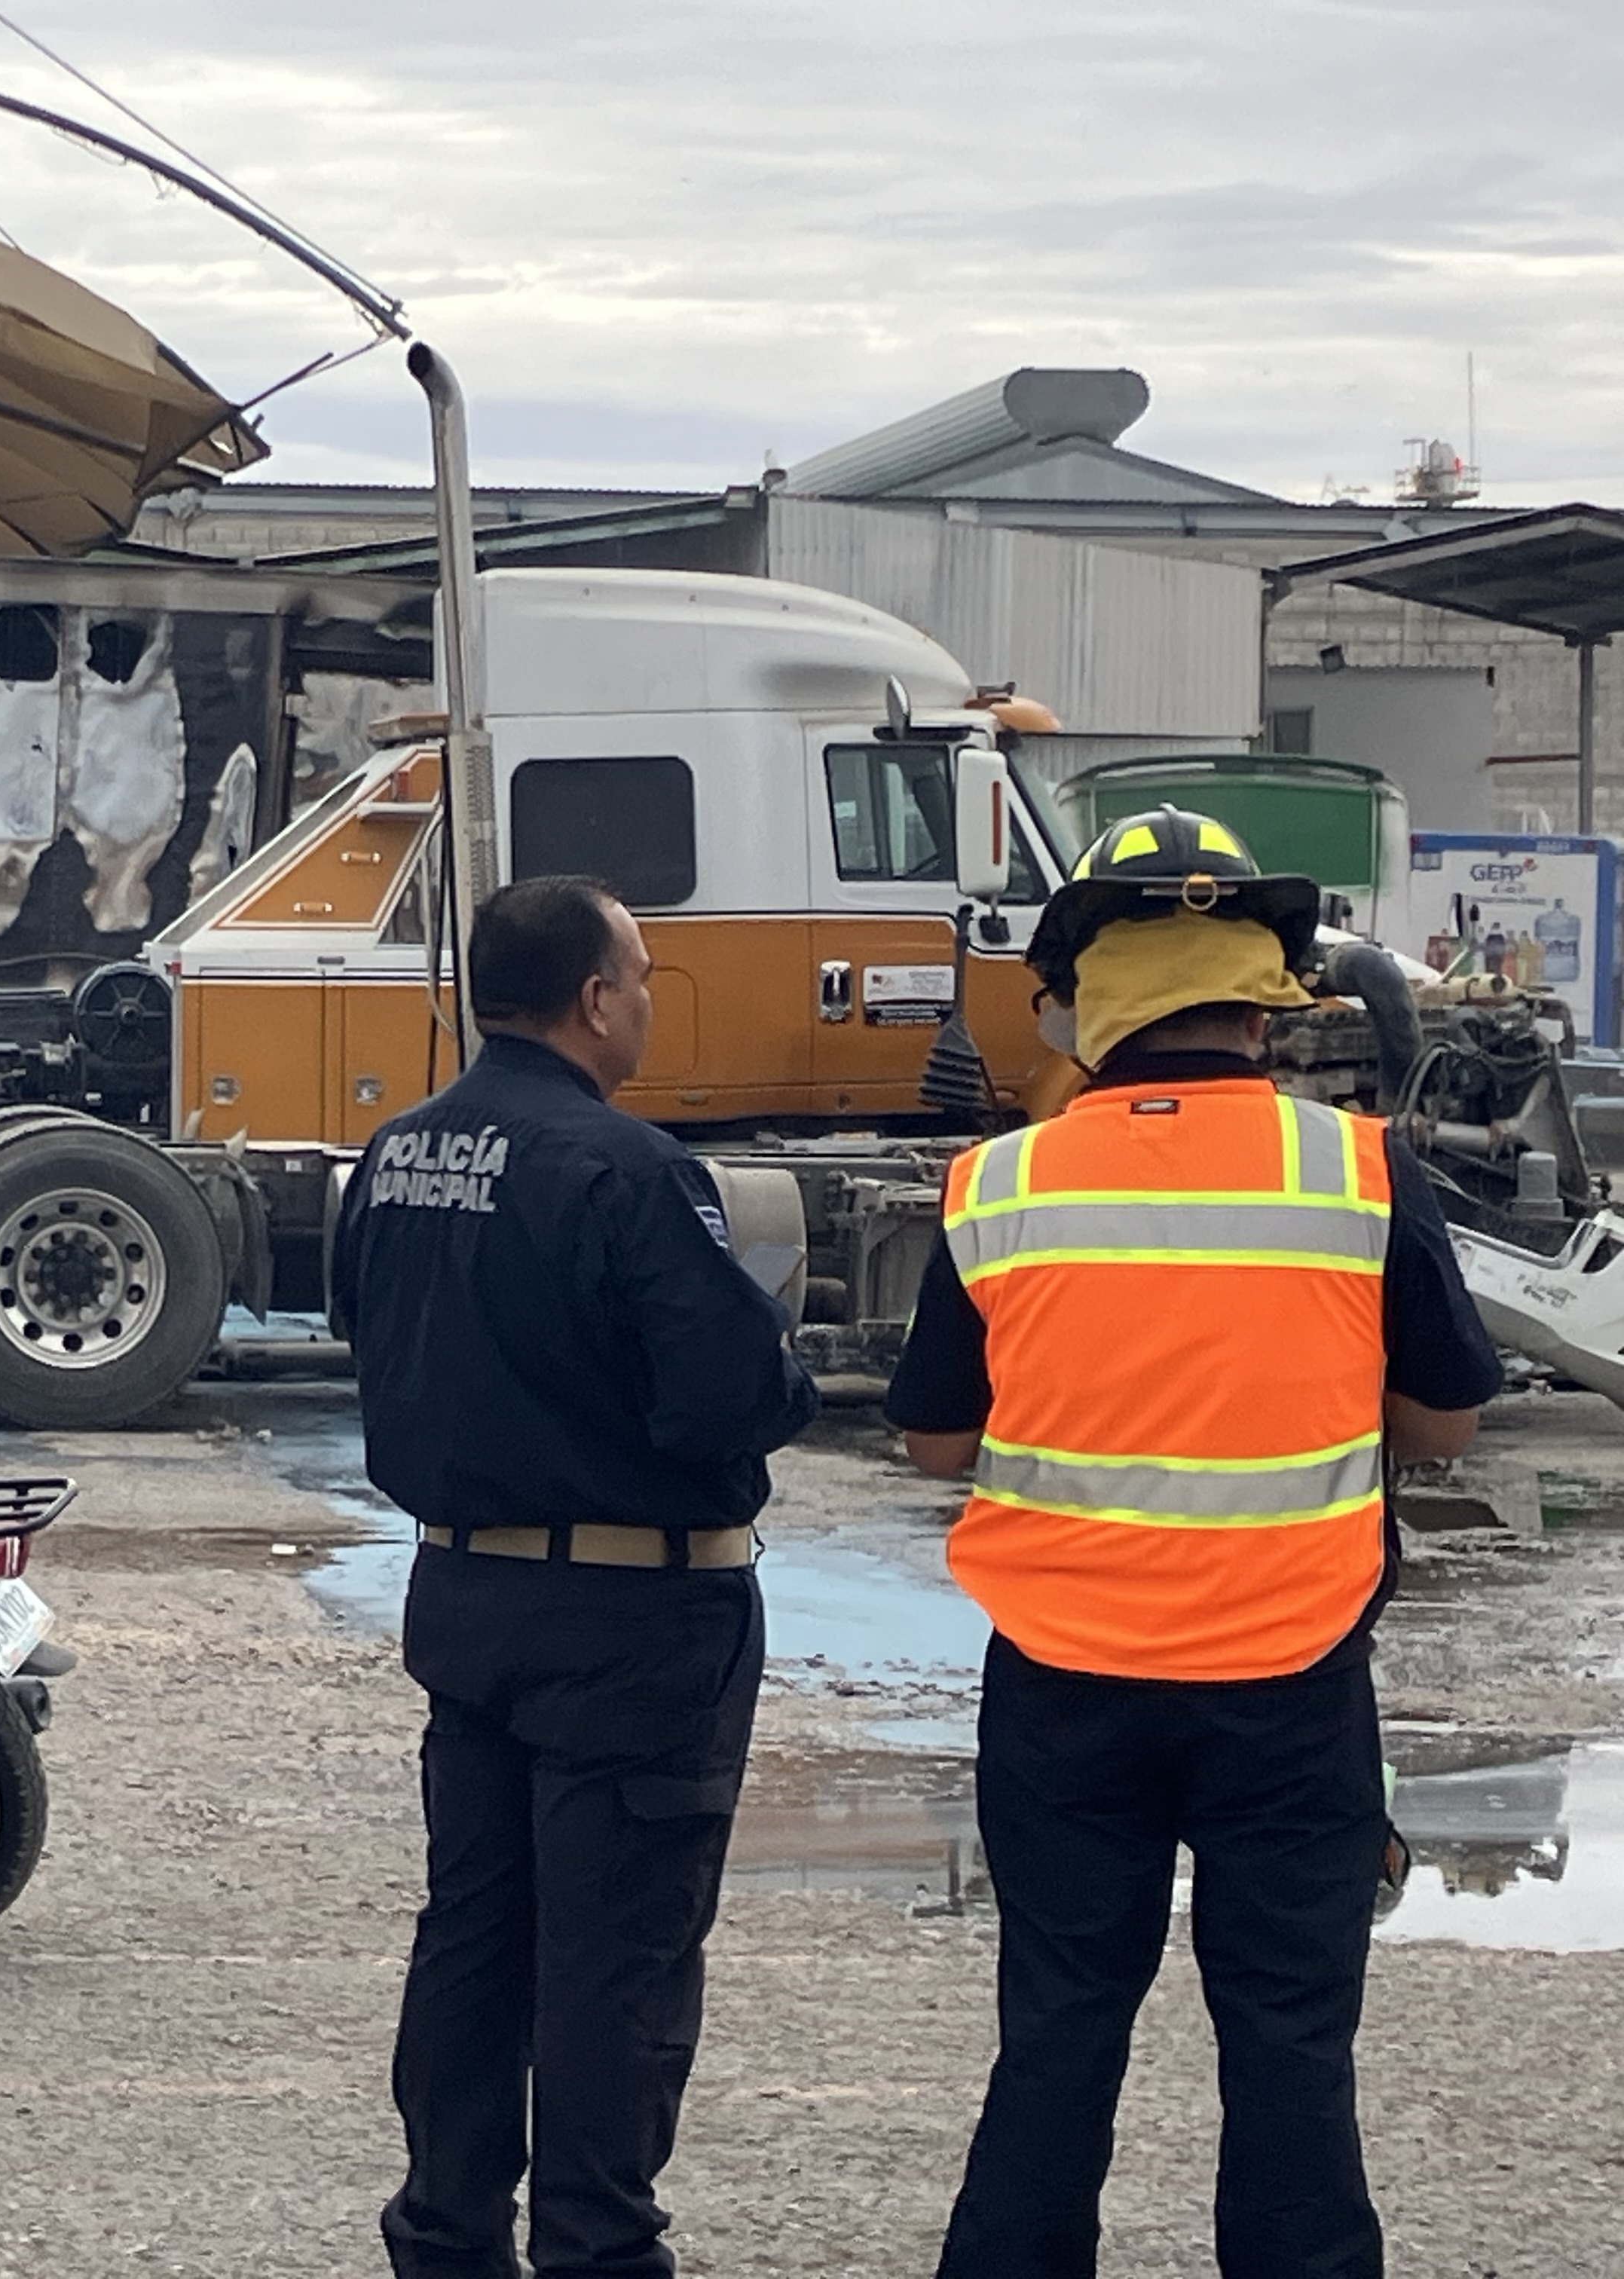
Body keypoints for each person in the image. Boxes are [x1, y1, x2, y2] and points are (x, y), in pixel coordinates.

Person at [885, 806, 1504, 2279]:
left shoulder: (999, 1186)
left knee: (1058, 2035)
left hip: (1062, 1689)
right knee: (1290, 2048)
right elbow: (1445, 1426)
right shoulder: (1360, 1174)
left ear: (1087, 998)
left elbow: (935, 1444)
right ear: (1262, 997)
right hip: (1291, 1685)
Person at [333, 874, 821, 2279]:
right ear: (598, 999)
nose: (649, 1001)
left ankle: (446, 2235)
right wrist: (783, 1362)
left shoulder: (398, 1153)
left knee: (475, 1938)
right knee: (618, 1958)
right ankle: (600, 2250)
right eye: (644, 977)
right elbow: (725, 1396)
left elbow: (366, 1328)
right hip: (633, 1615)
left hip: (464, 1595)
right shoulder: (629, 1169)